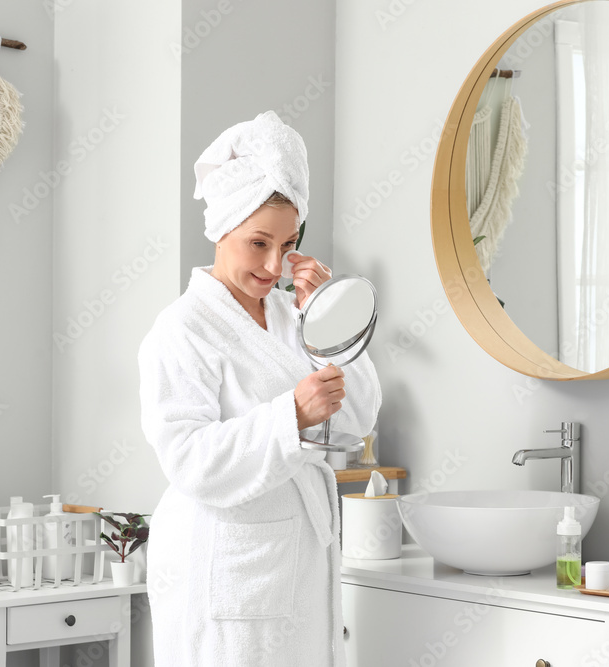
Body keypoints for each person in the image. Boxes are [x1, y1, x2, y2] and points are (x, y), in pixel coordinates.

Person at [138, 111, 382, 666]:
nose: (275, 264)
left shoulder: (294, 316)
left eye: (289, 242)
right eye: (257, 243)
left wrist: (328, 316)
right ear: (222, 229)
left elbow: (357, 418)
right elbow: (188, 459)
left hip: (296, 564)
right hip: (227, 571)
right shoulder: (182, 330)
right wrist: (288, 417)